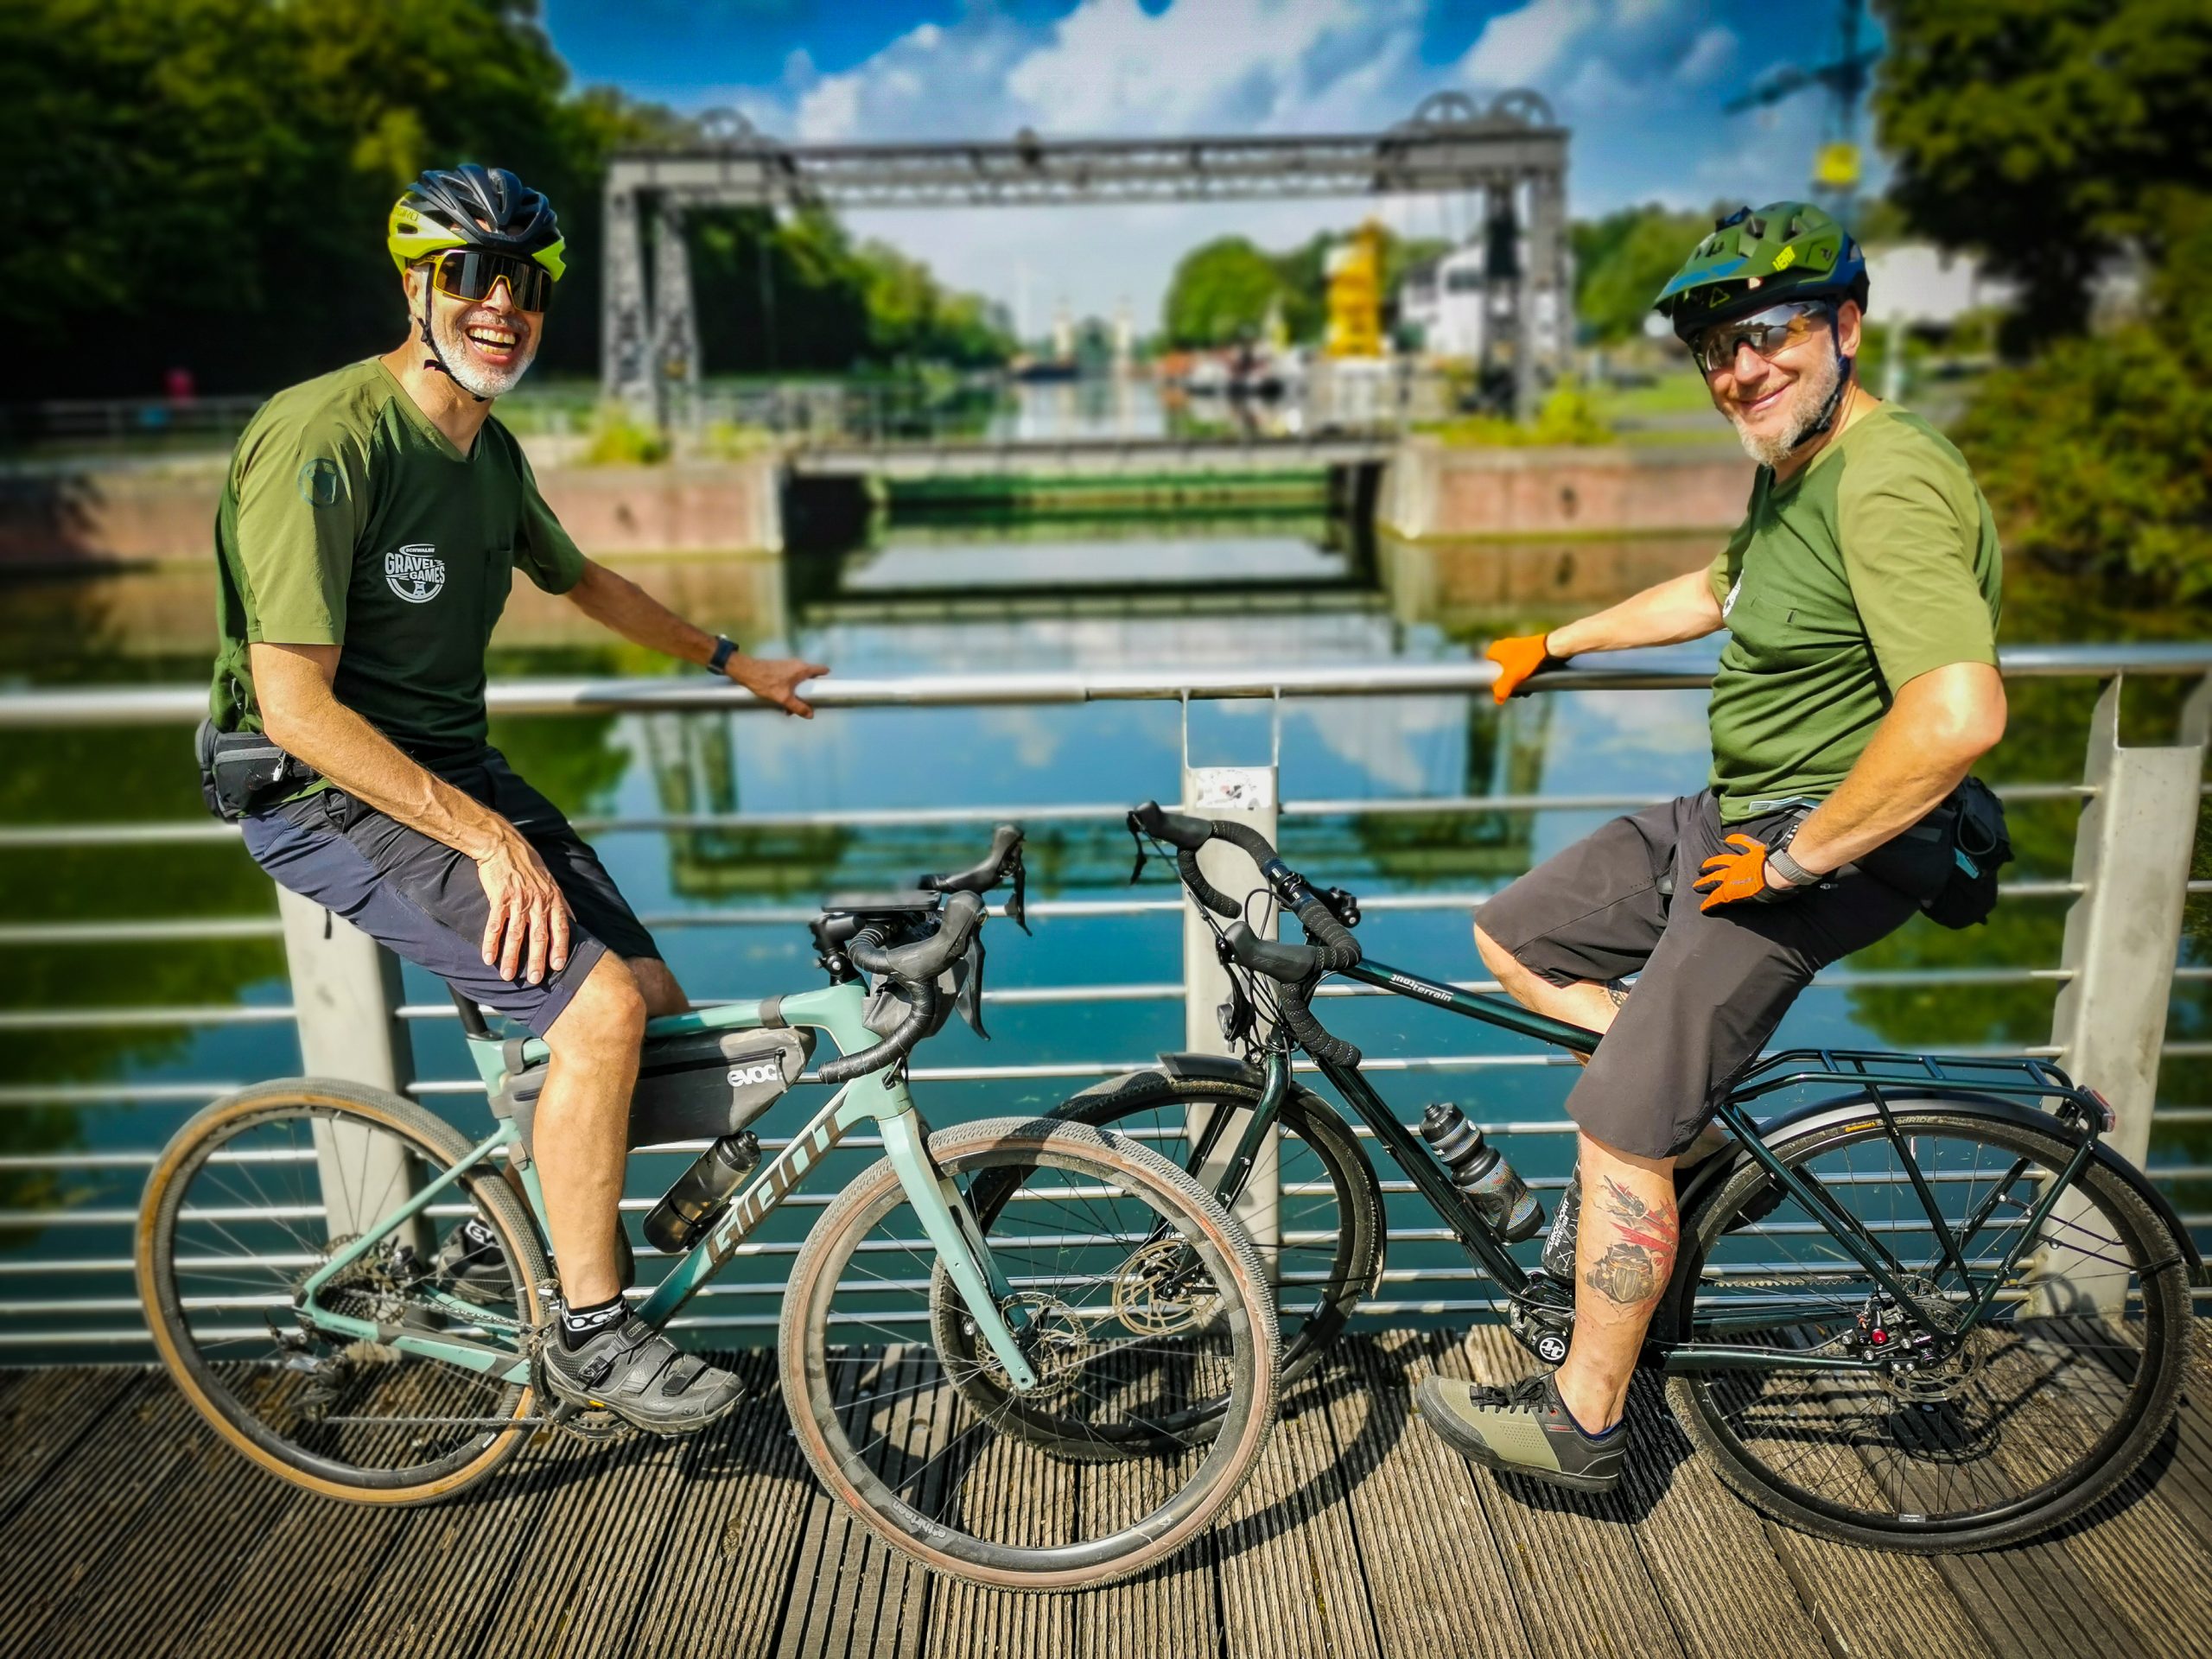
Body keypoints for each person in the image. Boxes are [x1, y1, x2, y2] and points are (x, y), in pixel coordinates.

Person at [203, 164, 829, 1434]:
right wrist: (490, 841)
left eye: (526, 284)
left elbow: (582, 577)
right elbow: (294, 706)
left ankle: (520, 1241)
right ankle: (591, 1332)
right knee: (596, 1014)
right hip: (316, 790)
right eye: (473, 277)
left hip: (446, 770)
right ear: (417, 287)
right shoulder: (325, 440)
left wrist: (732, 662)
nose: (503, 305)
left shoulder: (487, 450)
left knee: (655, 1010)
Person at [1414, 202, 2007, 1491]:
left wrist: (1797, 864)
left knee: (1616, 1127)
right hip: (1728, 812)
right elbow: (1713, 591)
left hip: (1815, 841)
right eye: (1716, 349)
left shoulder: (1890, 476)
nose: (1738, 369)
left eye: (1769, 334)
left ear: (1846, 326)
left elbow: (1960, 712)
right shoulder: (1794, 467)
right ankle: (1689, 1126)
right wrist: (1554, 640)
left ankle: (1585, 1424)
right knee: (1513, 932)